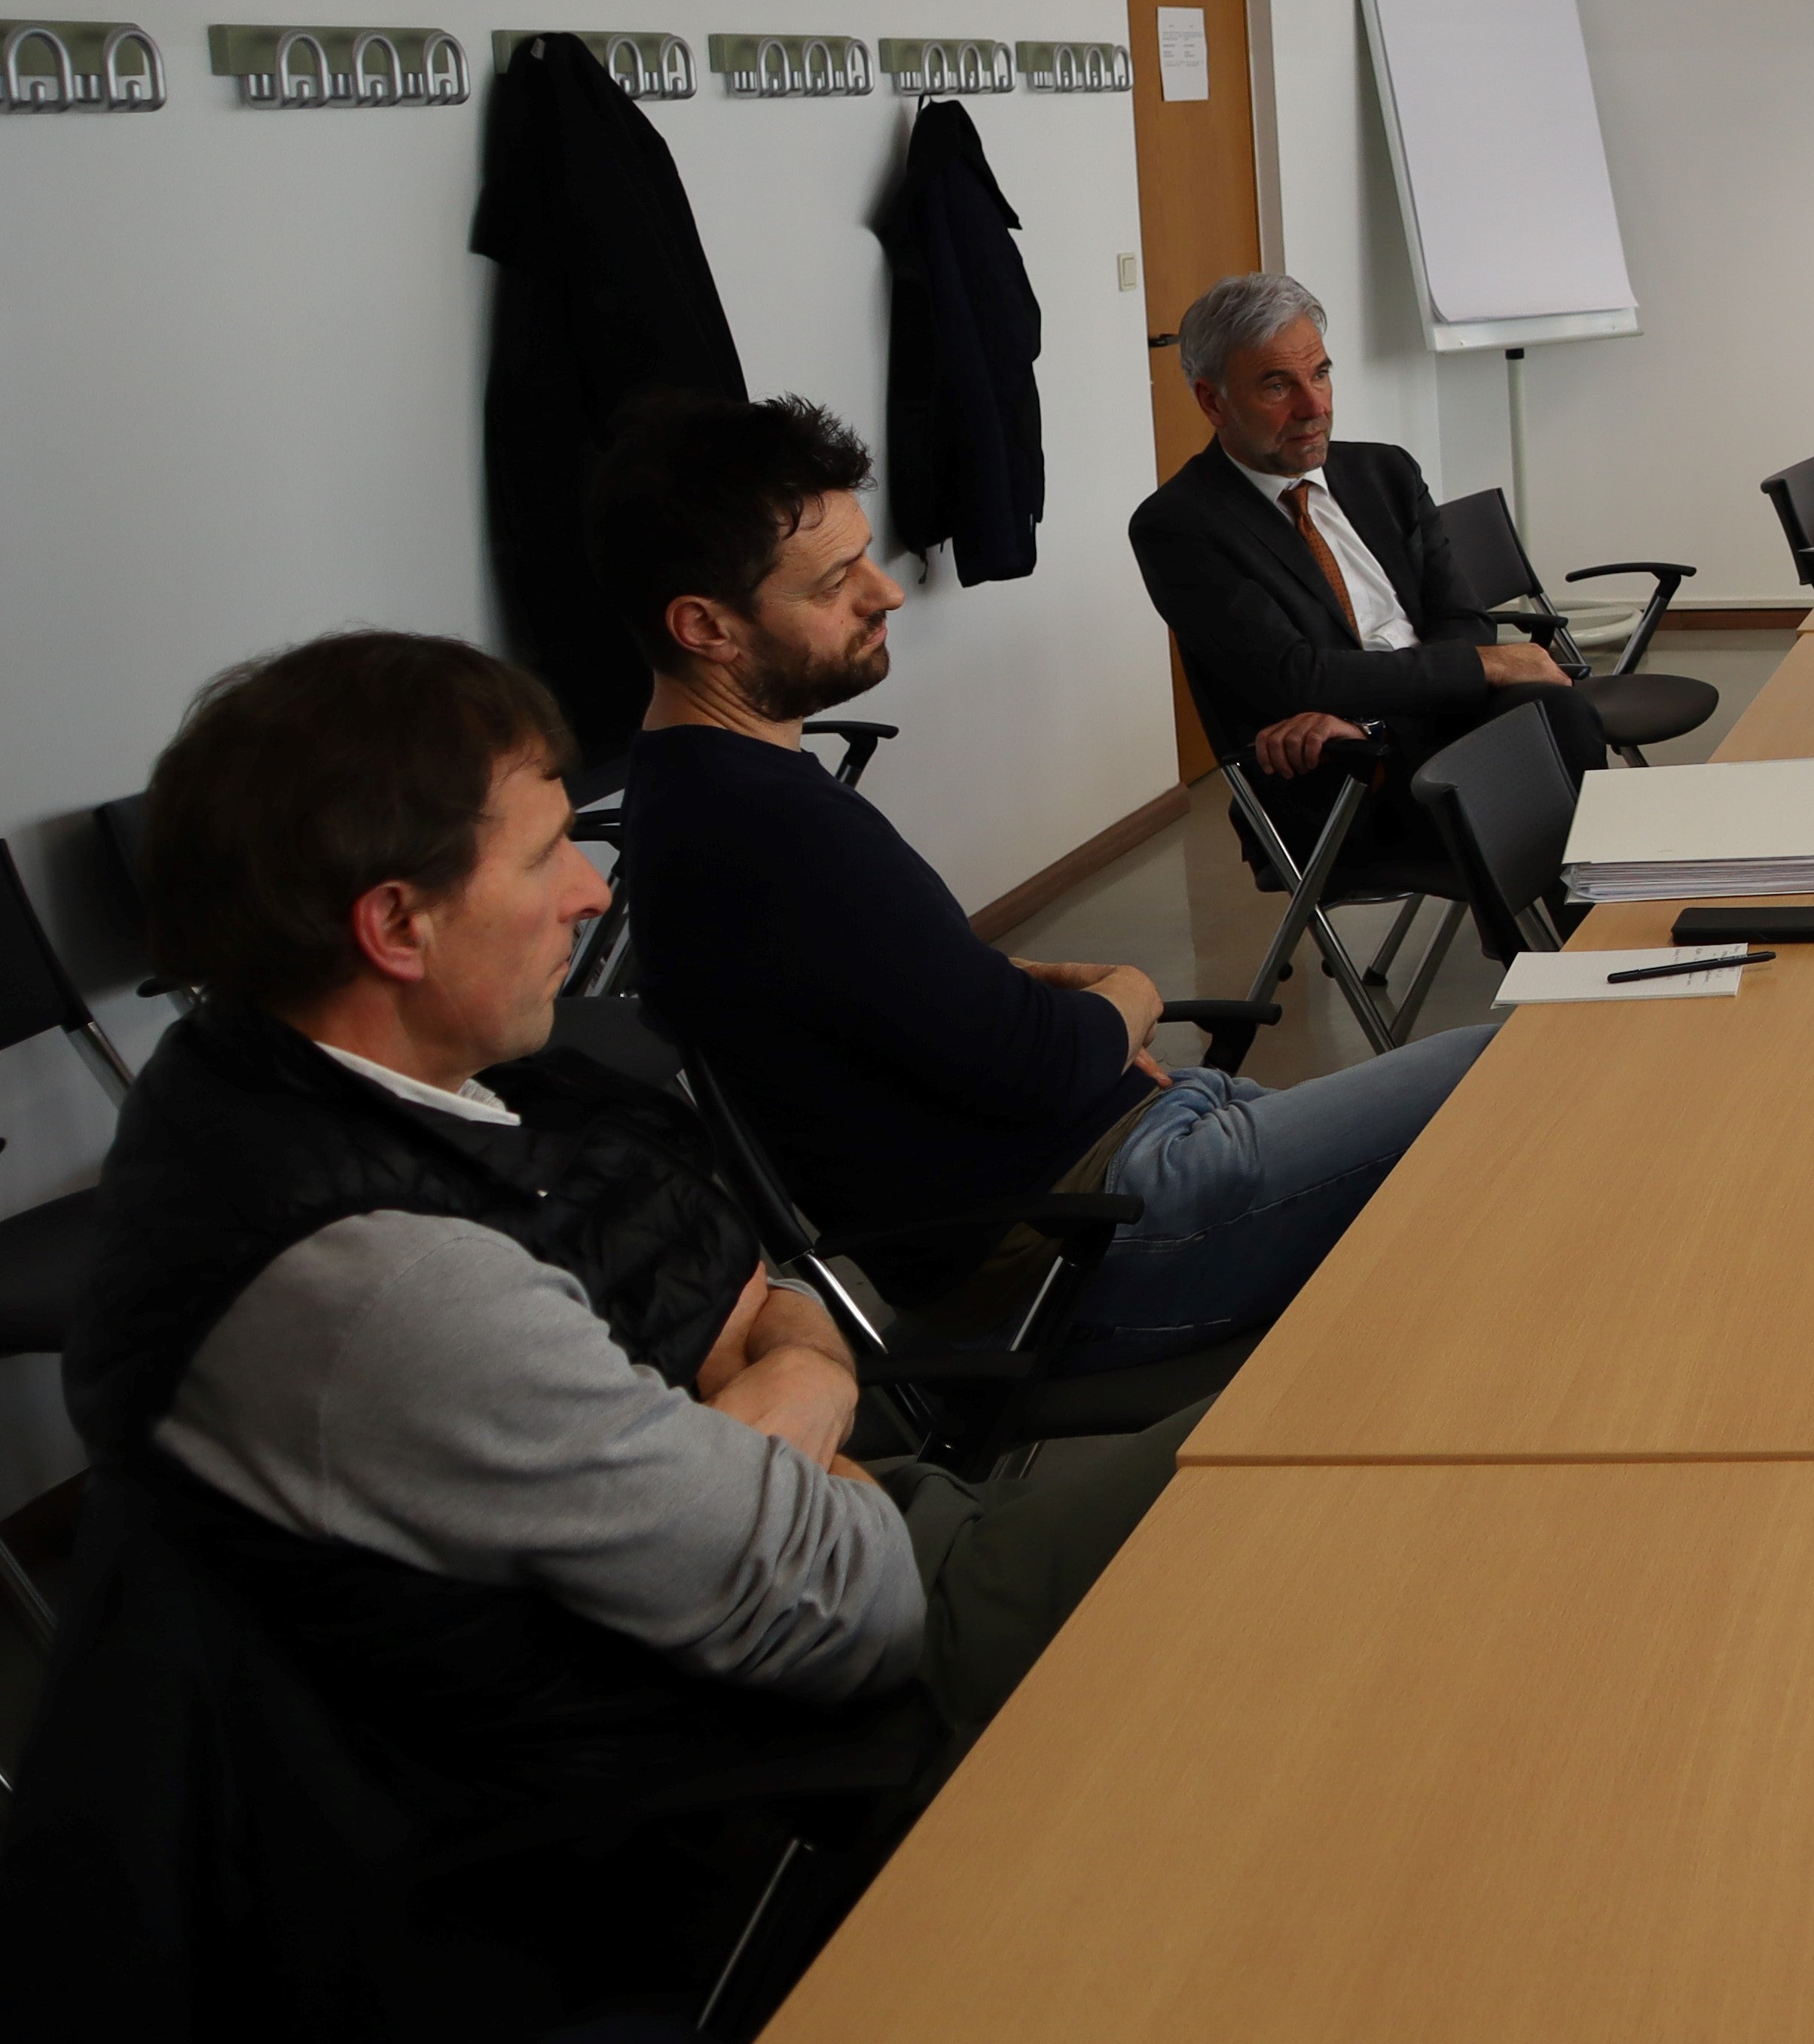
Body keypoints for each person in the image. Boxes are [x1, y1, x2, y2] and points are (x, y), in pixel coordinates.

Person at [55, 632, 1191, 1817]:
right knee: (1296, 1489)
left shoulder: (373, 1083)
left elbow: (761, 1289)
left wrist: (795, 1374)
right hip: (854, 1665)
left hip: (846, 1536)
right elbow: (839, 1598)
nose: (594, 891)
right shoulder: (386, 1287)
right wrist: (801, 1392)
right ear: (397, 926)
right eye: (545, 855)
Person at [603, 392, 1494, 1365]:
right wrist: (1129, 992)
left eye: (865, 558)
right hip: (1086, 1240)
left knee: (1488, 1158)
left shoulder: (701, 792)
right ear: (706, 627)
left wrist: (1046, 998)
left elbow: (907, 995)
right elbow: (1040, 1061)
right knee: (1506, 1072)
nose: (885, 593)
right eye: (833, 582)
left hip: (1115, 1172)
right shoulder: (767, 826)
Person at [1127, 269, 1602, 865]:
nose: (1314, 407)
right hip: (1342, 780)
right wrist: (1483, 669)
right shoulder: (1180, 525)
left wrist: (1388, 722)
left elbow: (1463, 619)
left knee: (1552, 721)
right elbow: (1298, 679)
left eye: (1320, 374)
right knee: (1538, 760)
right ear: (1211, 401)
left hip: (1415, 732)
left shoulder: (1385, 474)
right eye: (1277, 386)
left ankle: (1593, 909)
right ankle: (1588, 914)